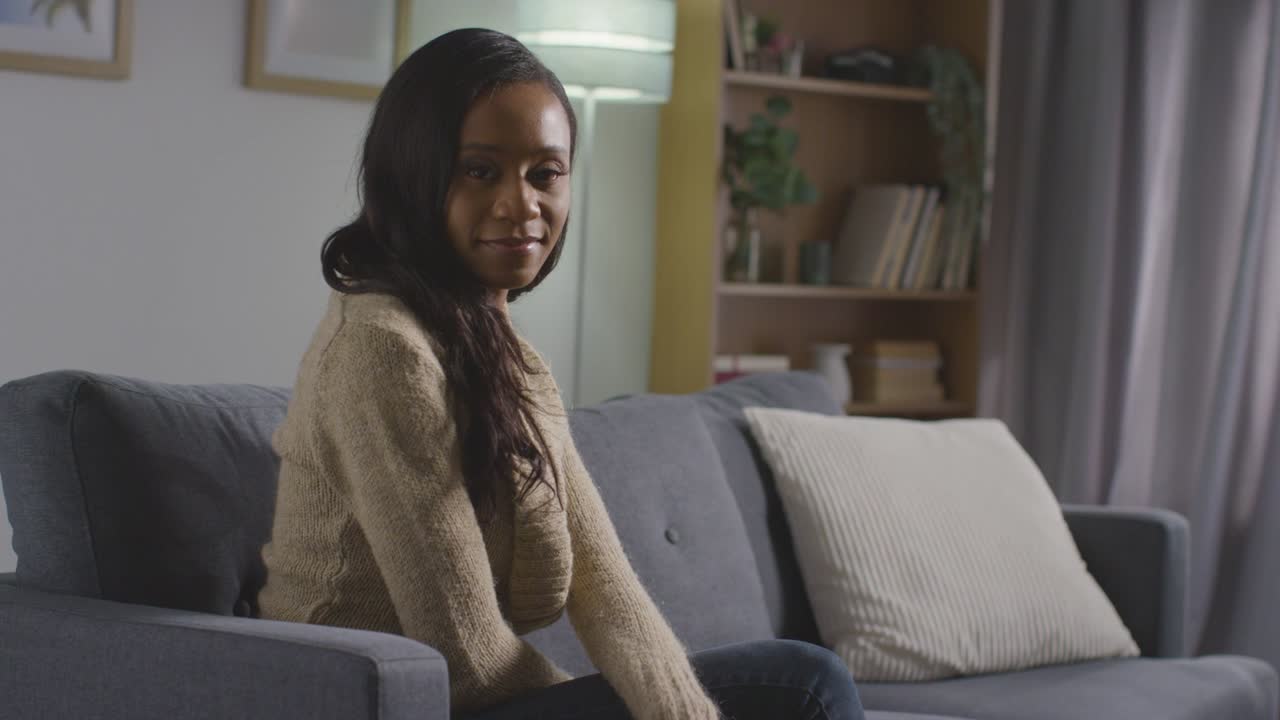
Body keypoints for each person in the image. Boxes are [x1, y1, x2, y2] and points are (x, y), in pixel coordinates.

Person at [258, 27, 864, 720]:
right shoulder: (381, 349)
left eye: (545, 173)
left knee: (793, 682)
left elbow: (609, 594)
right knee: (802, 684)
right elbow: (464, 650)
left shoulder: (504, 353)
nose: (523, 207)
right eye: (480, 170)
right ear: (414, 174)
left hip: (468, 696)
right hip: (379, 705)